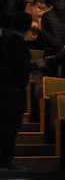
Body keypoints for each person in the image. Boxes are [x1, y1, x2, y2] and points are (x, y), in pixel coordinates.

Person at [0, 12, 42, 171]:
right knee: (10, 129)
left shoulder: (3, 39)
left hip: (3, 91)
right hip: (13, 93)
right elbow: (21, 67)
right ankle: (5, 161)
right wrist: (36, 65)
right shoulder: (19, 43)